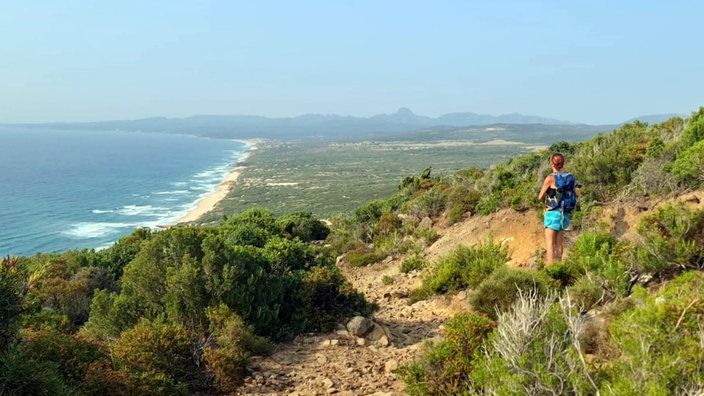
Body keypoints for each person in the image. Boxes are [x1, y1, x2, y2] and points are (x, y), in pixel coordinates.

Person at [538, 152, 570, 266]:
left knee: (550, 244)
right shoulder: (567, 178)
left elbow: (540, 197)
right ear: (562, 164)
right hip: (564, 214)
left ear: (552, 163)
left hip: (552, 214)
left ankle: (552, 270)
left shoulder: (550, 178)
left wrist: (547, 205)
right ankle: (559, 266)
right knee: (559, 244)